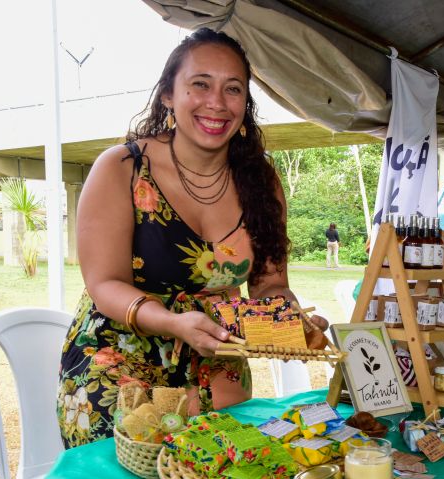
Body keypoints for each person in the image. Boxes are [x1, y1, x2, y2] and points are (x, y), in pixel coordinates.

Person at [57, 29, 327, 449]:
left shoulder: (261, 180)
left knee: (228, 471)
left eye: (232, 89)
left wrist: (290, 320)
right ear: (168, 94)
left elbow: (270, 284)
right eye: (200, 84)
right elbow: (104, 284)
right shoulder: (122, 167)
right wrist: (174, 323)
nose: (217, 102)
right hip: (119, 353)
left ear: (245, 104)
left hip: (218, 356)